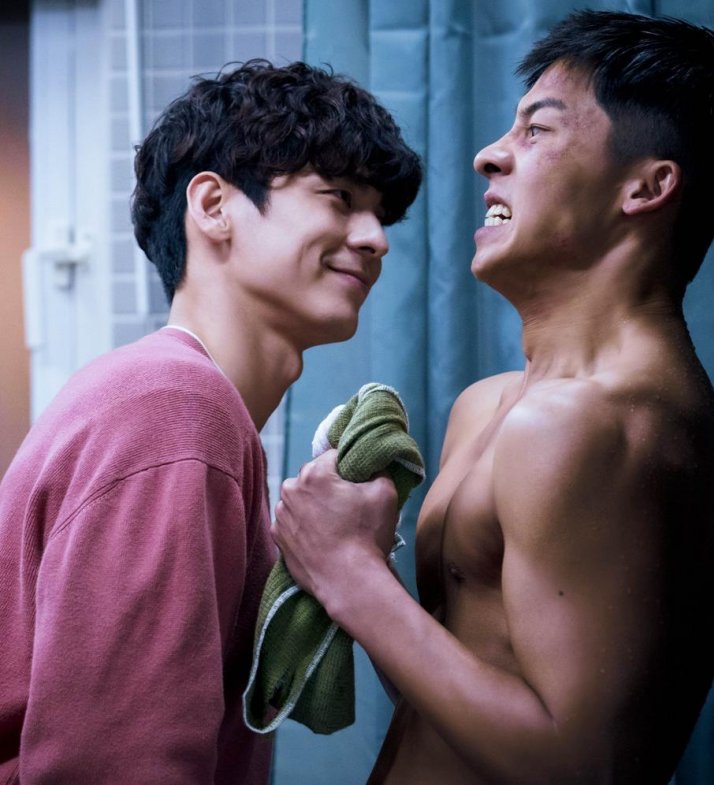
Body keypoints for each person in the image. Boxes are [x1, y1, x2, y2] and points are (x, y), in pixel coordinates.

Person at [271, 11, 714, 785]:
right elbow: (458, 693)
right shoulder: (495, 405)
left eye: (536, 130)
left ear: (645, 186)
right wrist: (362, 564)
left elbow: (579, 766)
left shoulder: (592, 422)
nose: (488, 154)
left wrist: (349, 575)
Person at [0, 60, 421, 784]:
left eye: (380, 215)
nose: (375, 238)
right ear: (214, 205)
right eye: (341, 198)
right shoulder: (173, 407)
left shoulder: (180, 402)